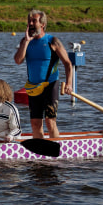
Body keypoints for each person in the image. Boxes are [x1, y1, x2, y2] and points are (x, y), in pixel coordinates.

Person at [13, 8, 74, 140]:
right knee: (35, 124)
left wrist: (69, 84)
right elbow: (18, 60)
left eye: (34, 21)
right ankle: (39, 149)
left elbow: (68, 64)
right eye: (29, 21)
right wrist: (26, 41)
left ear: (42, 24)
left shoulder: (53, 41)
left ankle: (56, 147)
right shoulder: (25, 41)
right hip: (33, 87)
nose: (30, 23)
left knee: (50, 122)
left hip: (50, 85)